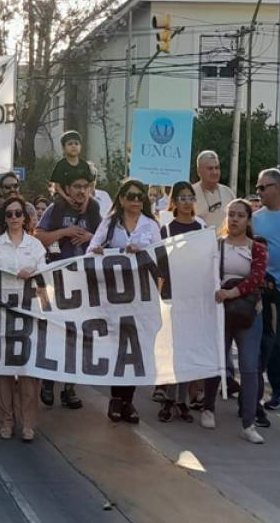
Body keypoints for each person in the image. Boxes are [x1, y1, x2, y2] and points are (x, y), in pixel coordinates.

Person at [88, 179, 161, 424]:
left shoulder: (151, 226)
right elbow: (91, 250)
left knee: (136, 348)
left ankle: (128, 400)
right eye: (131, 196)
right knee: (117, 347)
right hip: (114, 296)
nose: (136, 200)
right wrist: (99, 252)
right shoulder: (110, 224)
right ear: (121, 199)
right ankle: (115, 398)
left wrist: (143, 252)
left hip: (141, 296)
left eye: (140, 196)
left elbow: (161, 259)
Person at [34, 168, 102, 410]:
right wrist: (65, 232)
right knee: (56, 333)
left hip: (84, 283)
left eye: (85, 186)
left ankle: (70, 388)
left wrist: (89, 237)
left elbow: (104, 239)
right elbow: (38, 236)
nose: (82, 190)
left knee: (78, 336)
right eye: (77, 186)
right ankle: (49, 384)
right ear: (68, 188)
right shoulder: (56, 209)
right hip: (57, 281)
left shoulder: (94, 209)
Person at [201, 199, 267, 444]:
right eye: (231, 215)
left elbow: (256, 279)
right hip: (220, 312)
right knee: (216, 362)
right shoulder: (216, 246)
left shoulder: (257, 248)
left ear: (249, 220)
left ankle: (248, 423)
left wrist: (231, 292)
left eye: (240, 215)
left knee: (250, 367)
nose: (235, 219)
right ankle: (208, 408)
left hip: (248, 313)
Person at [0, 196, 47, 442]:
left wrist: (33, 271)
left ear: (25, 217)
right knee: (1, 370)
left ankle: (28, 423)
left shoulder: (36, 245)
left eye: (18, 213)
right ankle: (5, 421)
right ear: (3, 219)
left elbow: (47, 273)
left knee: (29, 369)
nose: (13, 218)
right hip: (1, 314)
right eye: (8, 214)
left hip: (29, 314)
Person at [154, 181, 205, 423]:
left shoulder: (201, 227)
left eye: (190, 197)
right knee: (171, 348)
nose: (186, 201)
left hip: (193, 296)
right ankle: (168, 399)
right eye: (181, 197)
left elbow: (206, 263)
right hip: (171, 295)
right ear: (174, 202)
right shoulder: (166, 229)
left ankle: (183, 400)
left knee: (186, 349)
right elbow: (161, 267)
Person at [253, 168, 280, 411]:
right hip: (267, 289)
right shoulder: (256, 219)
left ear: (277, 187)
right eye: (257, 188)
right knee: (270, 343)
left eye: (263, 187)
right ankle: (275, 391)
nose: (258, 192)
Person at [193, 150, 235, 231]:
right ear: (199, 171)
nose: (215, 172)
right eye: (210, 168)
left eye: (217, 168)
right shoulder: (190, 194)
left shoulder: (228, 193)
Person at [50, 130, 94, 205]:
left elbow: (91, 184)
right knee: (59, 204)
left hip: (82, 196)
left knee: (94, 205)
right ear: (64, 148)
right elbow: (57, 186)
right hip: (63, 196)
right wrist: (67, 198)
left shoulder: (84, 165)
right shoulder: (61, 165)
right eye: (70, 144)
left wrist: (86, 200)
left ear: (80, 147)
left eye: (76, 144)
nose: (73, 146)